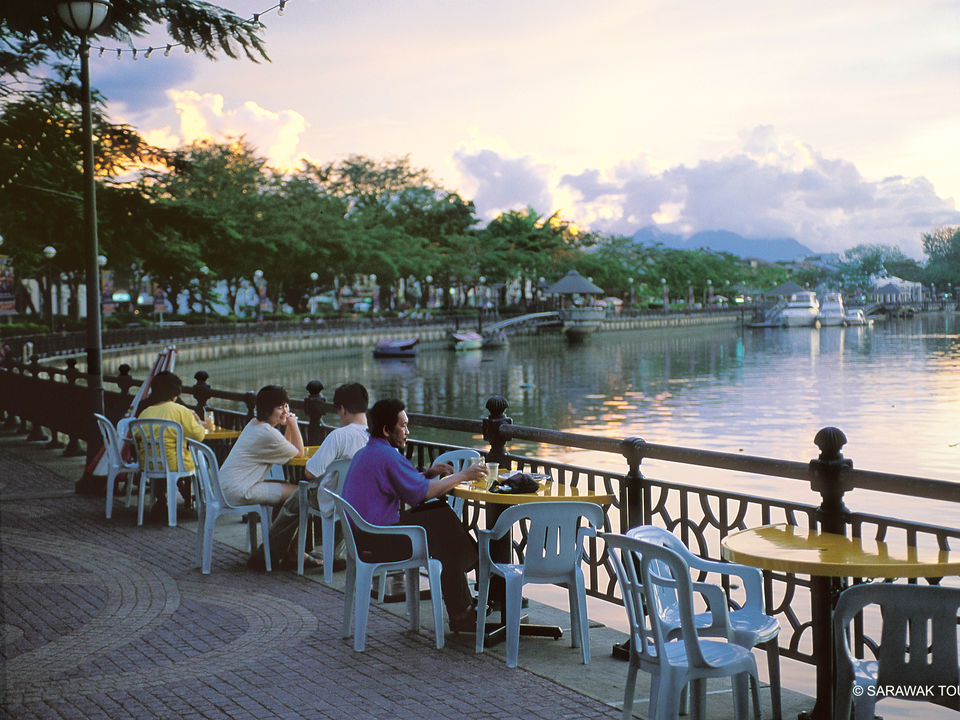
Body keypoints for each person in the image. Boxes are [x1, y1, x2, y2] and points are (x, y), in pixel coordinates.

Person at [342, 398, 487, 632]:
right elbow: (421, 494)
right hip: (379, 542)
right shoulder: (387, 456)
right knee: (443, 523)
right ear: (387, 430)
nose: (407, 432)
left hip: (363, 537)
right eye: (403, 426)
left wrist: (428, 472)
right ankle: (472, 579)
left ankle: (464, 605)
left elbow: (402, 483)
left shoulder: (367, 452)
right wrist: (464, 475)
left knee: (440, 520)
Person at [263, 382, 370, 570]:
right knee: (339, 491)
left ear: (342, 409)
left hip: (334, 499)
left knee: (294, 502)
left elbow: (310, 472)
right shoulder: (376, 436)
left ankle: (268, 554)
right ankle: (337, 555)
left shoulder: (339, 436)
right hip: (362, 499)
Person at [219, 385, 303, 512]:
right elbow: (299, 453)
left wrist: (289, 426)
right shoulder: (267, 433)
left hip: (225, 487)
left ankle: (276, 529)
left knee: (287, 487)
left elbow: (286, 446)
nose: (285, 411)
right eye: (280, 408)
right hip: (239, 491)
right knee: (300, 493)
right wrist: (293, 424)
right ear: (267, 410)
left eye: (286, 406)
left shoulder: (254, 424)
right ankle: (280, 531)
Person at [136, 371, 206, 522]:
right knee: (199, 462)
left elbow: (136, 435)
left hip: (149, 464)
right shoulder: (180, 410)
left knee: (167, 459)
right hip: (175, 464)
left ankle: (163, 499)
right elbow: (199, 436)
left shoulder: (145, 412)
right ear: (175, 393)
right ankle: (197, 501)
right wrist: (199, 423)